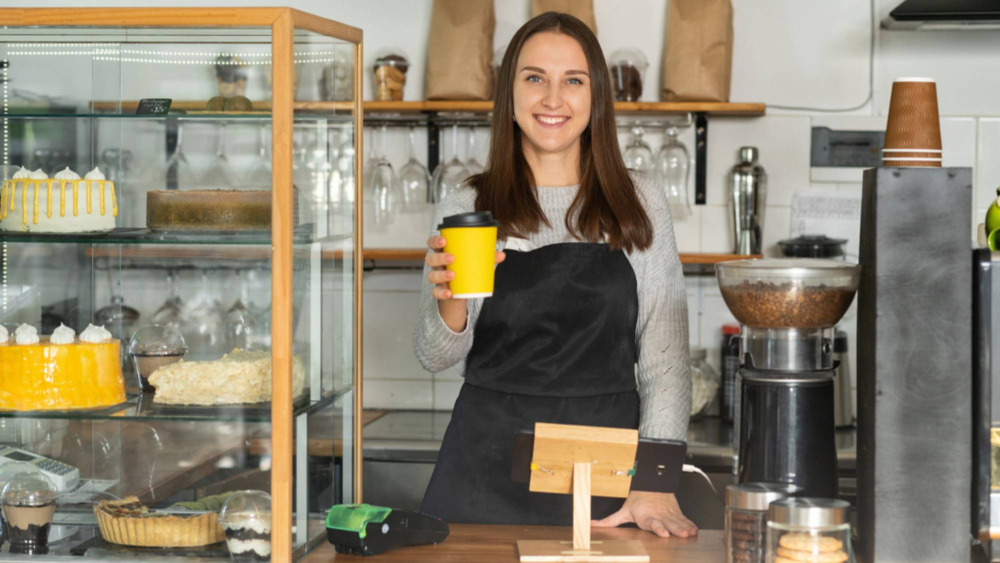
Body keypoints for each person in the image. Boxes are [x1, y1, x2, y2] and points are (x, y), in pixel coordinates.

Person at [413, 12, 695, 538]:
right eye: (535, 77)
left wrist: (656, 481)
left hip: (608, 477)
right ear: (510, 92)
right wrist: (449, 299)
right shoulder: (470, 205)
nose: (552, 98)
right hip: (483, 471)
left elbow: (665, 359)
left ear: (596, 97)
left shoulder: (639, 201)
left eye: (573, 81)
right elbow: (435, 356)